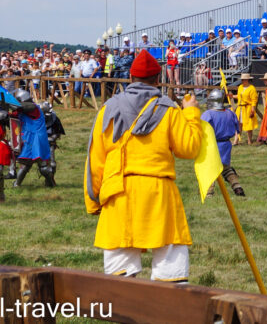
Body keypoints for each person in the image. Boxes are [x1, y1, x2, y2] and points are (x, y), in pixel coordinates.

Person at [84, 49, 203, 282]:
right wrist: (191, 114)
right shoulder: (170, 109)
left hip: (119, 193)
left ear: (130, 78)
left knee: (121, 278)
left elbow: (95, 160)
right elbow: (189, 148)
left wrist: (94, 201)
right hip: (159, 193)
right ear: (158, 80)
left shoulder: (107, 109)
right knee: (171, 271)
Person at [200, 89, 245, 198]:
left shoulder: (208, 114)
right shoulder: (230, 113)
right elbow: (238, 128)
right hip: (226, 145)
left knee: (210, 169)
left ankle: (208, 193)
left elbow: (201, 130)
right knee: (226, 169)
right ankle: (237, 186)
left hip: (213, 145)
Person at [13, 89, 55, 187]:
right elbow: (12, 117)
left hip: (37, 139)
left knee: (42, 165)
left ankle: (50, 183)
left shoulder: (34, 108)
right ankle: (17, 184)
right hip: (27, 139)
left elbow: (21, 107)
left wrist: (11, 104)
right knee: (25, 164)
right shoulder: (22, 111)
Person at [235, 73, 259, 145]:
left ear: (248, 80)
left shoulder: (252, 88)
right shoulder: (240, 87)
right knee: (238, 124)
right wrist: (232, 96)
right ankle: (236, 141)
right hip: (240, 108)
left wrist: (252, 110)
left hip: (248, 108)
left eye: (244, 80)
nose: (242, 81)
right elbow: (239, 96)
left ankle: (249, 140)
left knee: (248, 125)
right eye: (242, 80)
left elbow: (254, 100)